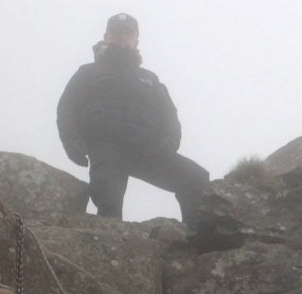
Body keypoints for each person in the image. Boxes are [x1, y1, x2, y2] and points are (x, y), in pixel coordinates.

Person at [56, 13, 209, 227]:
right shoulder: (88, 72)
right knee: (108, 202)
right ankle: (110, 247)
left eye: (127, 33)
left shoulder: (149, 78)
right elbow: (66, 109)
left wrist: (170, 140)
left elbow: (169, 114)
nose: (121, 37)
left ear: (136, 40)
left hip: (146, 149)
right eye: (116, 32)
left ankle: (198, 240)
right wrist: (71, 143)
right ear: (106, 36)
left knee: (197, 178)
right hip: (105, 148)